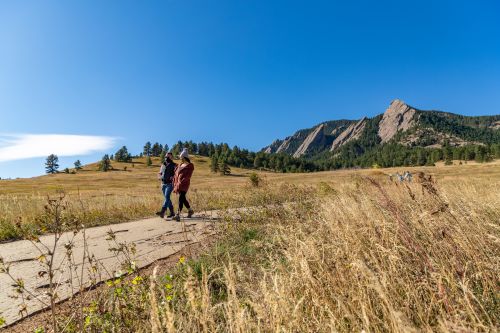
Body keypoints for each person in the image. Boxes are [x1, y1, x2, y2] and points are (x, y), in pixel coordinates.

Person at [173, 148, 194, 221]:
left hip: (184, 184)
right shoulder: (180, 165)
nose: (180, 159)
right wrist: (175, 182)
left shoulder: (190, 166)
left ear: (185, 157)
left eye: (181, 157)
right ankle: (190, 210)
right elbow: (176, 174)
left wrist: (181, 182)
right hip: (178, 184)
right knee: (183, 198)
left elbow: (188, 176)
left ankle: (177, 214)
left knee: (181, 198)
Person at [156, 152, 177, 219]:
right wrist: (159, 175)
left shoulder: (174, 165)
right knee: (167, 198)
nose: (166, 158)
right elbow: (160, 173)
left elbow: (176, 174)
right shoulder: (163, 165)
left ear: (171, 157)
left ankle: (163, 211)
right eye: (166, 156)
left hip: (170, 184)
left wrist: (173, 177)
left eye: (168, 156)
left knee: (167, 196)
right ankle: (172, 212)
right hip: (163, 183)